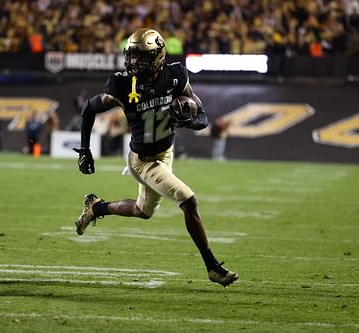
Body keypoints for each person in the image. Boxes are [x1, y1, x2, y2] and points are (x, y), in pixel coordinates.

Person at [73, 28, 238, 287]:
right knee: (189, 201)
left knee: (143, 210)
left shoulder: (175, 76)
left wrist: (188, 119)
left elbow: (202, 117)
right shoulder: (123, 84)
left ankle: (97, 207)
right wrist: (85, 149)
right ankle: (212, 267)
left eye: (141, 56)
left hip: (166, 153)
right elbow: (89, 108)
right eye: (131, 56)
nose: (133, 62)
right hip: (143, 160)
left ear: (158, 55)